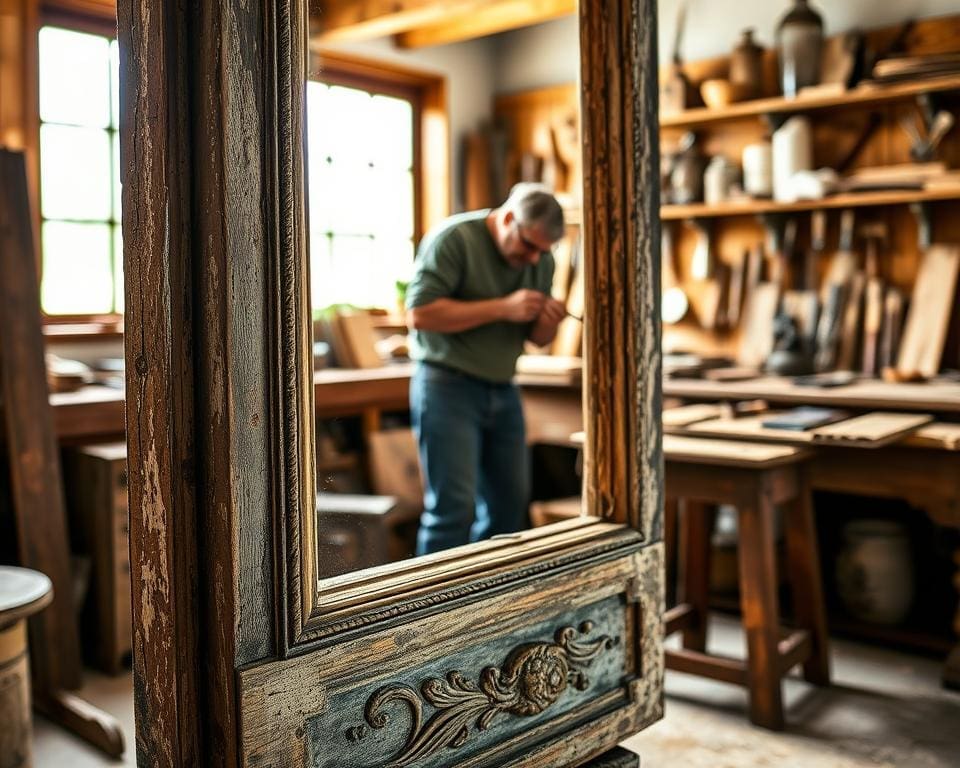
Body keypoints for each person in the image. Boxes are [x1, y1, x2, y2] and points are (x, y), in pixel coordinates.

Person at [405, 183, 568, 556]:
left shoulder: (540, 259)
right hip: (447, 385)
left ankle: (484, 608)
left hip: (502, 387)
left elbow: (537, 339)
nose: (534, 260)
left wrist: (549, 321)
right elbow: (418, 314)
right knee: (452, 510)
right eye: (529, 246)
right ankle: (431, 613)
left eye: (544, 252)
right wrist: (502, 307)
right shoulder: (454, 239)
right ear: (508, 218)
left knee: (509, 508)